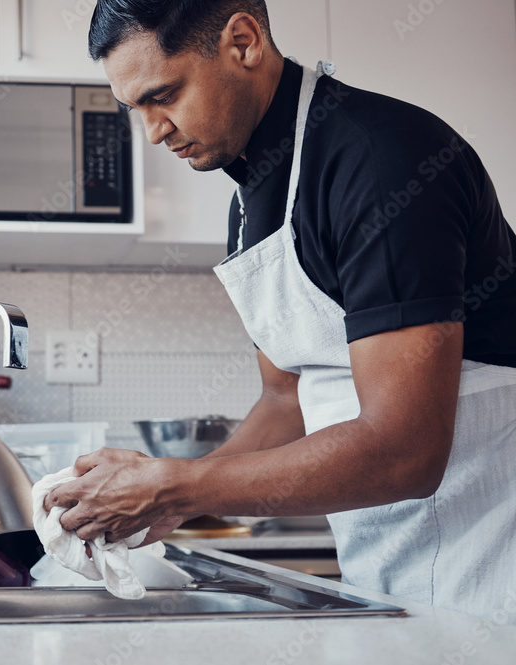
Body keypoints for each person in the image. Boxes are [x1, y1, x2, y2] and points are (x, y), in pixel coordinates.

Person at [44, 0, 516, 622]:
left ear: (243, 41)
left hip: (494, 573)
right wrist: (170, 501)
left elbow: (405, 450)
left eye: (165, 94)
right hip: (394, 575)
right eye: (138, 109)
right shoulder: (248, 205)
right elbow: (284, 399)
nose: (153, 130)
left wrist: (171, 484)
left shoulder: (384, 162)